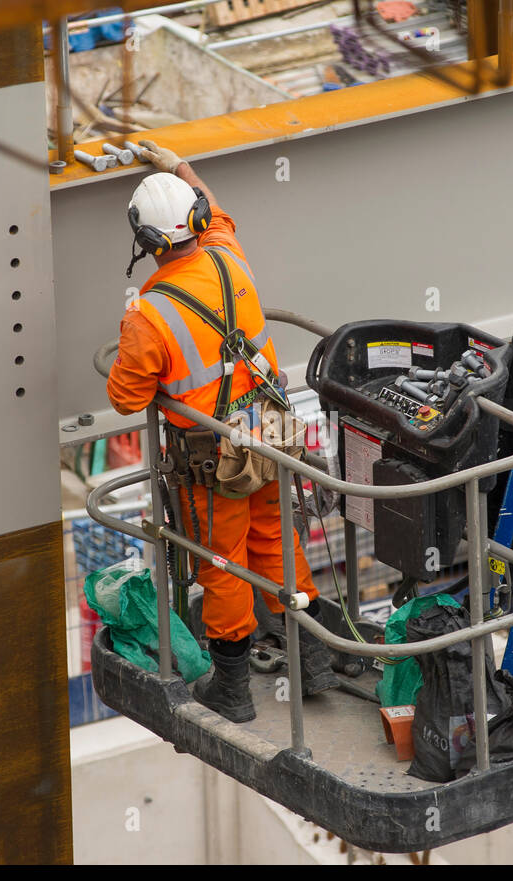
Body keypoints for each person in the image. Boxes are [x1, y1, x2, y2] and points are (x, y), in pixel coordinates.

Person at [105, 140, 338, 723]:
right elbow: (219, 212)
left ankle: (232, 688)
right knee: (276, 540)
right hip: (272, 431)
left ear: (147, 242)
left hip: (214, 460)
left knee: (223, 561)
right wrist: (178, 165)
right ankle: (312, 658)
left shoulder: (149, 314)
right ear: (198, 223)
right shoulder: (228, 253)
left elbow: (126, 396)